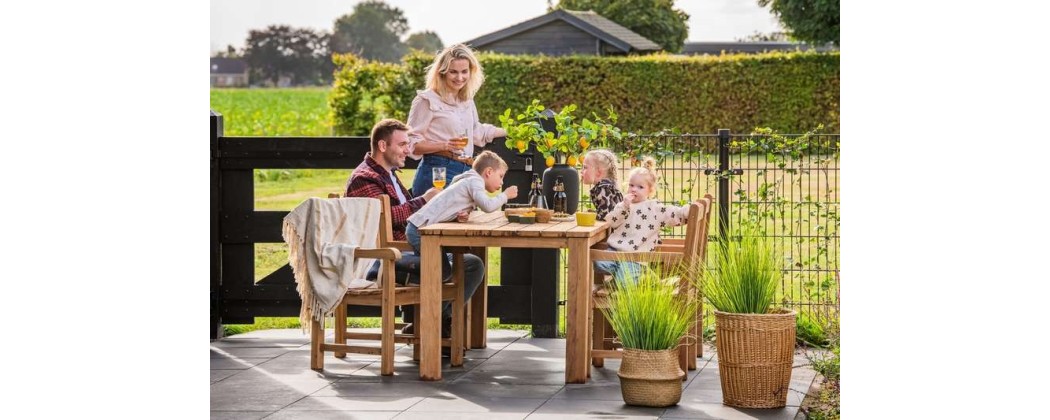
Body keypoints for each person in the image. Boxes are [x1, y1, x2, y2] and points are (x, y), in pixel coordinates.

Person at [345, 118, 485, 337]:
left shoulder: (388, 174)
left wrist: (450, 214)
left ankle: (430, 323)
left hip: (407, 250)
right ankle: (433, 325)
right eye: (402, 145)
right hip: (384, 258)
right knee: (466, 265)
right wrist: (423, 200)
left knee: (466, 261)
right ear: (383, 146)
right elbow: (383, 219)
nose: (408, 151)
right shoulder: (365, 178)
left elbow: (408, 214)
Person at [405, 43, 507, 198]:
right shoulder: (426, 100)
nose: (460, 78)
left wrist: (511, 131)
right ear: (442, 72)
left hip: (466, 171)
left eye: (464, 71)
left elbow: (476, 132)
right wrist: (444, 145)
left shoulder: (467, 100)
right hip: (438, 170)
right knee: (435, 222)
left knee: (466, 221)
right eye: (453, 72)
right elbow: (411, 142)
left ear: (471, 72)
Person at [406, 152, 518, 289]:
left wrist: (458, 216)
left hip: (419, 227)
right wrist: (505, 195)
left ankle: (427, 304)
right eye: (500, 176)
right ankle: (400, 274)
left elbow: (449, 204)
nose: (502, 182)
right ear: (488, 172)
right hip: (420, 230)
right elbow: (488, 206)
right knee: (441, 273)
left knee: (435, 272)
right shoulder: (475, 181)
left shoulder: (467, 180)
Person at [595, 157, 697, 285]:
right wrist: (624, 207)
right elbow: (612, 221)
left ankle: (640, 275)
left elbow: (673, 213)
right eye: (631, 185)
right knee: (599, 264)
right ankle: (630, 274)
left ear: (650, 191)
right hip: (615, 251)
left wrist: (687, 210)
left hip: (636, 256)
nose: (634, 189)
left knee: (624, 283)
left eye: (640, 187)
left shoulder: (654, 208)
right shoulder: (623, 205)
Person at [580, 149, 624, 221]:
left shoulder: (603, 188)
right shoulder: (607, 186)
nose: (581, 171)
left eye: (585, 167)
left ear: (598, 172)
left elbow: (606, 215)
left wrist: (592, 216)